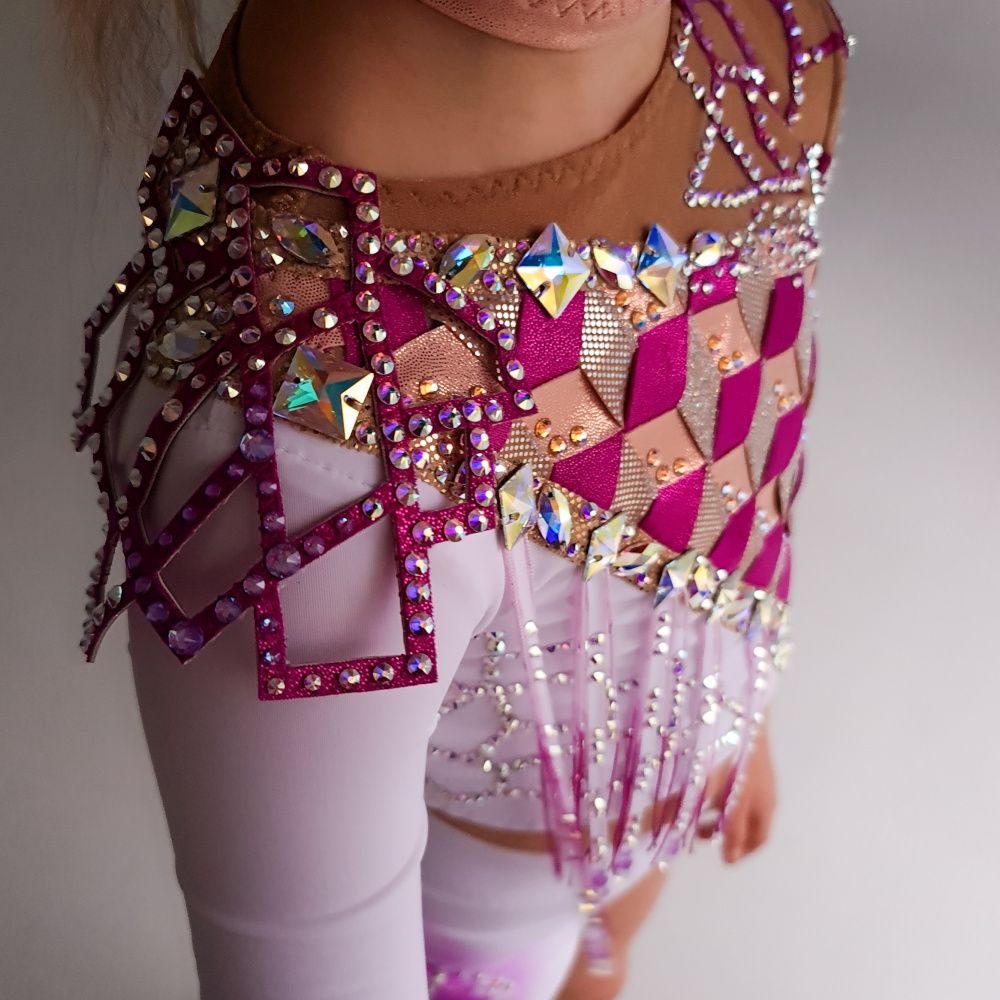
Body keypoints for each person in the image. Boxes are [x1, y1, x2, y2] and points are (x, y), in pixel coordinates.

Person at [69, 1, 848, 996]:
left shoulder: (767, 51)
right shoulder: (303, 447)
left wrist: (730, 712)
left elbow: (741, 424)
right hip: (483, 940)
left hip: (631, 813)